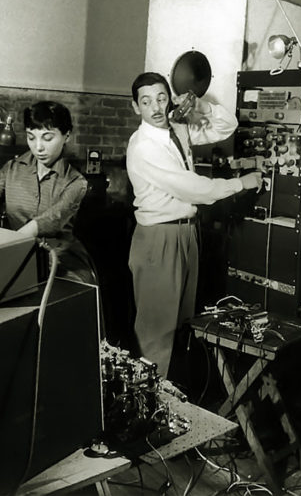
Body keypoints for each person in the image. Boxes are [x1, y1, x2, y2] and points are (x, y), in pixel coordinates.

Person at [126, 72, 262, 377]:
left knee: (183, 324)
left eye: (161, 98)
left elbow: (227, 126)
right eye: (146, 102)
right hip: (159, 240)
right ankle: (149, 412)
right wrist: (242, 183)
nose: (156, 107)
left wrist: (199, 104)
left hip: (186, 234)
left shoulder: (177, 129)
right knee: (157, 334)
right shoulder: (144, 147)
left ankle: (171, 403)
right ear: (137, 108)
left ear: (170, 98)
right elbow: (195, 189)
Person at [0, 100, 95, 284]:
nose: (38, 147)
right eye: (31, 137)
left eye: (47, 138)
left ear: (67, 136)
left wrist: (3, 250)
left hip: (63, 266)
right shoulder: (12, 169)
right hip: (19, 258)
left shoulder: (75, 182)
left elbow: (52, 219)